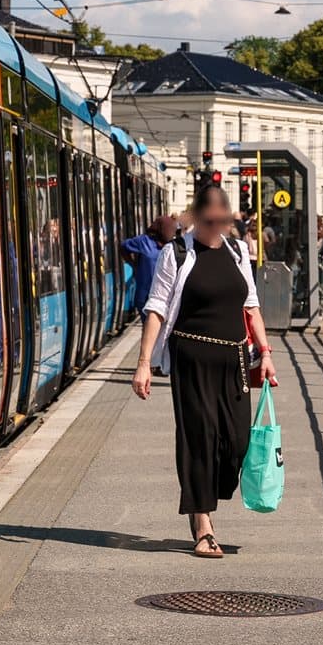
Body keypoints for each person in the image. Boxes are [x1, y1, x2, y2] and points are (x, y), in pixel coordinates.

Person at [133, 181, 278, 559]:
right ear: (198, 217)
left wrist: (265, 352)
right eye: (210, 218)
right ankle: (203, 524)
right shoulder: (176, 253)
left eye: (222, 217)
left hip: (234, 358)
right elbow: (157, 308)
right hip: (191, 359)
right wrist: (144, 363)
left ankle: (209, 495)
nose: (218, 224)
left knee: (237, 444)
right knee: (200, 439)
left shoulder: (238, 251)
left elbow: (251, 304)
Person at [119, 216, 171, 327]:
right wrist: (133, 264)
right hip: (146, 296)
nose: (170, 232)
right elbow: (123, 247)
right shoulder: (143, 241)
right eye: (168, 229)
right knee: (150, 330)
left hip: (166, 296)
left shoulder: (171, 244)